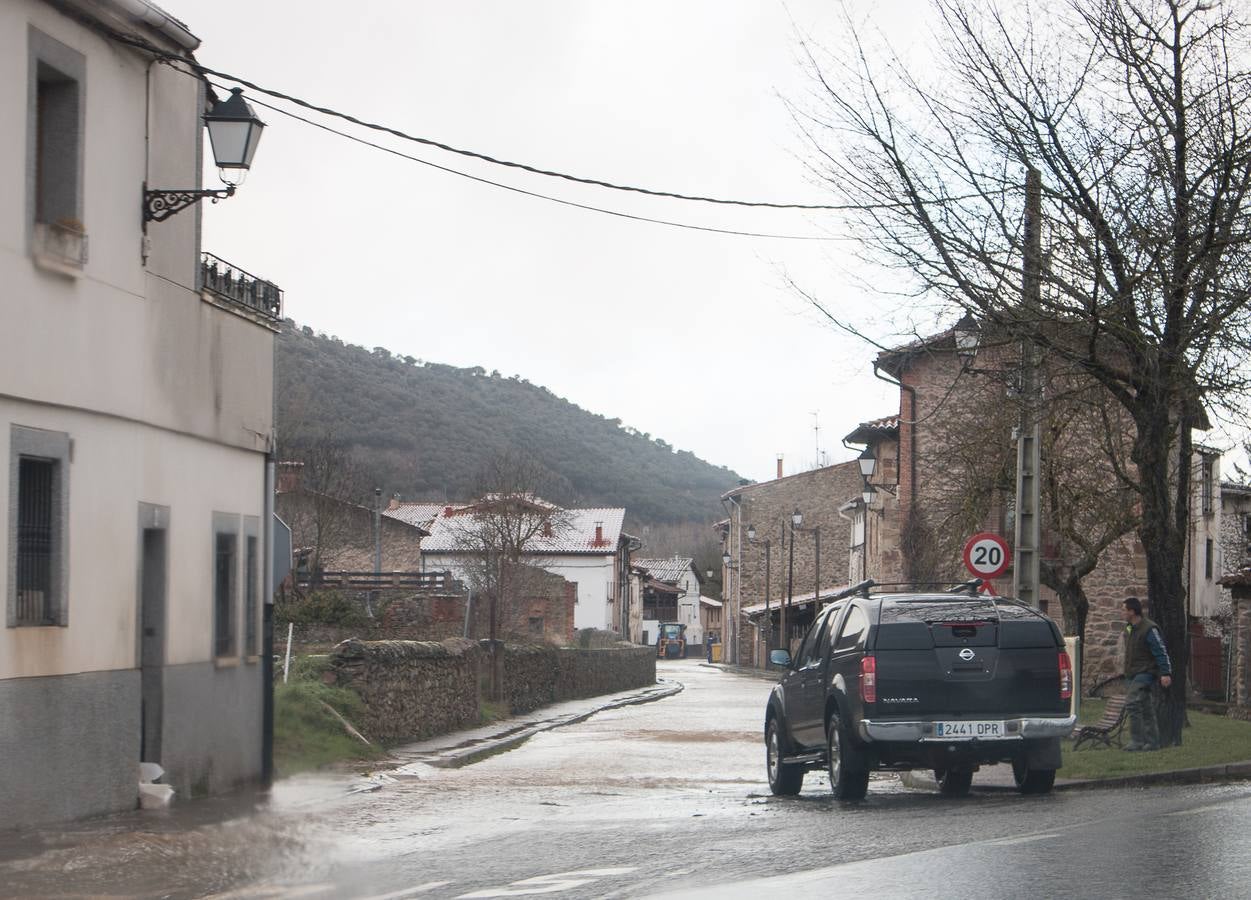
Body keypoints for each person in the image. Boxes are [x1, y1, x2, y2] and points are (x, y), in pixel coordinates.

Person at [1120, 597, 1172, 751]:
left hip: (1146, 672)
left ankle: (1137, 741)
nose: (1121, 613)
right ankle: (1153, 742)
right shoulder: (1129, 628)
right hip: (1132, 673)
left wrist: (1165, 673)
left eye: (1123, 610)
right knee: (1145, 706)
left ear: (1132, 611)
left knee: (1131, 702)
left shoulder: (1149, 629)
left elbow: (1161, 652)